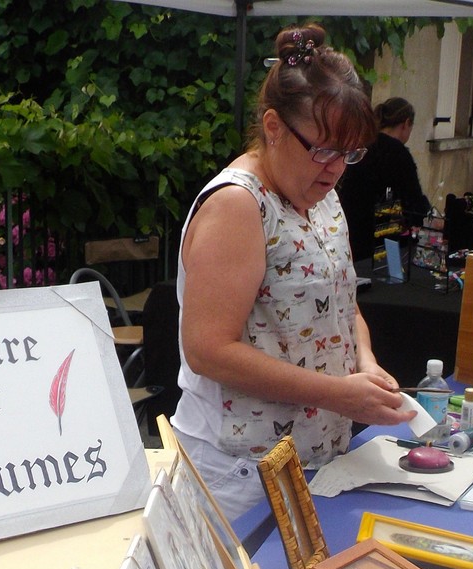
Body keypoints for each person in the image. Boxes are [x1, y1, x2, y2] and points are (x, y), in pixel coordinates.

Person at [171, 23, 413, 521]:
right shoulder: (239, 205)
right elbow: (206, 350)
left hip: (310, 461)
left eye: (349, 154)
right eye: (323, 149)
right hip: (241, 474)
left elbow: (342, 303)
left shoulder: (320, 194)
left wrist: (364, 363)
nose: (336, 168)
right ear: (274, 127)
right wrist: (339, 393)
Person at [339, 97, 432, 265]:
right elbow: (413, 200)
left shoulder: (362, 143)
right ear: (406, 123)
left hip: (348, 230)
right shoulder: (397, 153)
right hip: (380, 240)